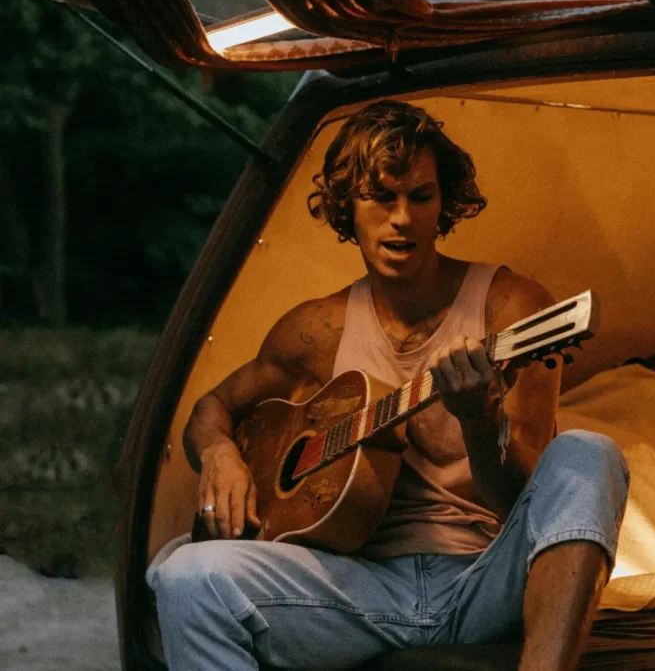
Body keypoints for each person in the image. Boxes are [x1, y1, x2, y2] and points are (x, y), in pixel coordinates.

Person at [147, 100, 630, 671]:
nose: (402, 218)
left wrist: (478, 419)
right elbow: (211, 407)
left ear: (443, 203)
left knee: (586, 453)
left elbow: (520, 497)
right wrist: (221, 451)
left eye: (421, 197)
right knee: (186, 577)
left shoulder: (511, 307)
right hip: (357, 589)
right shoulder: (315, 330)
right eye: (382, 197)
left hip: (483, 579)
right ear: (347, 207)